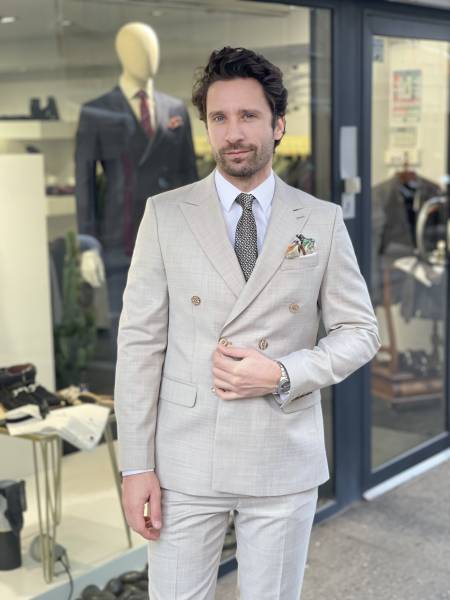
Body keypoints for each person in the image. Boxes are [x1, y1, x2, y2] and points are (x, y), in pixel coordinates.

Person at [115, 46, 380, 600]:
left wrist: (283, 373)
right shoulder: (165, 215)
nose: (233, 133)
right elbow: (139, 345)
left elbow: (360, 332)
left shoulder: (321, 220)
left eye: (248, 116)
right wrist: (135, 466)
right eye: (219, 118)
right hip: (185, 459)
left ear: (278, 125)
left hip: (281, 455)